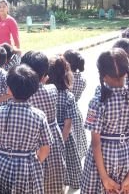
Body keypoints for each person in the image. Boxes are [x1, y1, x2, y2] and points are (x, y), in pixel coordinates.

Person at [0, 64, 53, 193]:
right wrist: (34, 161)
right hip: (28, 167)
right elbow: (45, 149)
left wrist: (1, 154)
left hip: (1, 165)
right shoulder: (39, 116)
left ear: (9, 90)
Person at [81, 48, 129, 193]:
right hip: (126, 158)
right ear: (126, 72)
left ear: (103, 76)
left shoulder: (98, 102)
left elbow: (96, 144)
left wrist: (105, 178)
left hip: (101, 162)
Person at [21, 51, 66, 193]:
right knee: (53, 178)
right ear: (45, 74)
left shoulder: (22, 95)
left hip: (30, 140)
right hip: (52, 139)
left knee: (32, 182)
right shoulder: (52, 89)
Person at [48, 55, 83, 190]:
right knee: (68, 163)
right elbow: (68, 123)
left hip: (49, 133)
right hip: (64, 137)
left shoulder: (47, 93)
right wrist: (61, 141)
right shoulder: (68, 96)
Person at [63, 49, 88, 159]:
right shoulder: (82, 79)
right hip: (76, 113)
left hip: (63, 113)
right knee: (75, 143)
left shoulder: (64, 77)